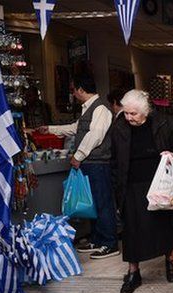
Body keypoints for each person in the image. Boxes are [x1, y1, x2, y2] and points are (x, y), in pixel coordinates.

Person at [111, 89, 173, 293]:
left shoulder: (164, 123)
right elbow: (114, 160)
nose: (128, 118)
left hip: (161, 183)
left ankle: (172, 263)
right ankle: (133, 272)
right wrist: (116, 189)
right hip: (132, 184)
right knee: (132, 229)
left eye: (133, 114)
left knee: (166, 226)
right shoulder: (119, 128)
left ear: (145, 111)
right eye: (126, 113)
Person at [37, 75, 118, 259]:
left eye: (74, 90)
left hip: (98, 163)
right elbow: (76, 128)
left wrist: (78, 155)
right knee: (93, 203)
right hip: (90, 163)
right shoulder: (88, 109)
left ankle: (110, 243)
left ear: (81, 89)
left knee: (103, 203)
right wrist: (50, 129)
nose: (72, 93)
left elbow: (95, 135)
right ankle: (97, 239)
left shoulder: (101, 110)